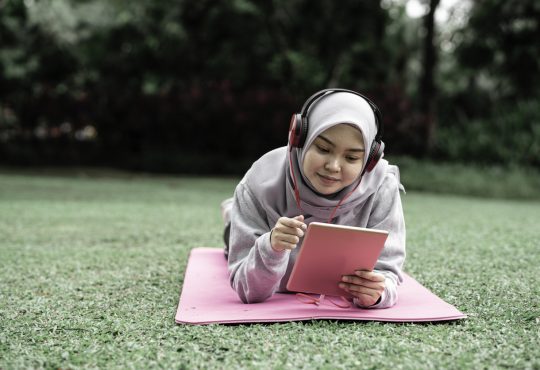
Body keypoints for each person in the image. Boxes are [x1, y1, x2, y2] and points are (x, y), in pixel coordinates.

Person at [221, 88, 406, 309]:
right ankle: (231, 214)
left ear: (370, 159)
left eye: (351, 157)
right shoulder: (258, 183)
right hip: (252, 225)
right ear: (300, 138)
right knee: (231, 231)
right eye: (323, 148)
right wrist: (271, 247)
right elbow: (245, 287)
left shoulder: (381, 187)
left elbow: (387, 274)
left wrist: (377, 293)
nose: (333, 166)